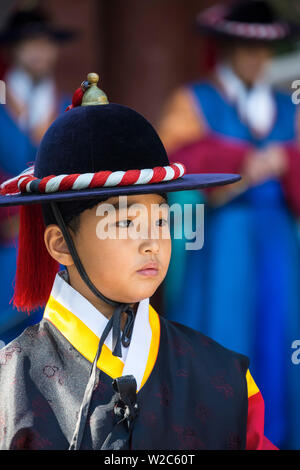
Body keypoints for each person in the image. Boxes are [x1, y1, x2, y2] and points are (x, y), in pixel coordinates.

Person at [0, 72, 276, 450]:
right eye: (125, 222)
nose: (153, 243)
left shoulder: (224, 377)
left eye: (161, 220)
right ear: (60, 244)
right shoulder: (10, 384)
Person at [157, 0, 300, 449]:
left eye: (265, 50)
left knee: (281, 337)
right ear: (226, 48)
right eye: (245, 48)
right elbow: (170, 160)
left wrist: (285, 160)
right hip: (222, 240)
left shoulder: (287, 105)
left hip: (278, 238)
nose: (257, 59)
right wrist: (240, 160)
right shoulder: (194, 99)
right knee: (222, 334)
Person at [0, 6, 75, 346]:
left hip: (51, 238)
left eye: (46, 43)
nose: (38, 51)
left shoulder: (68, 105)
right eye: (29, 43)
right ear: (12, 49)